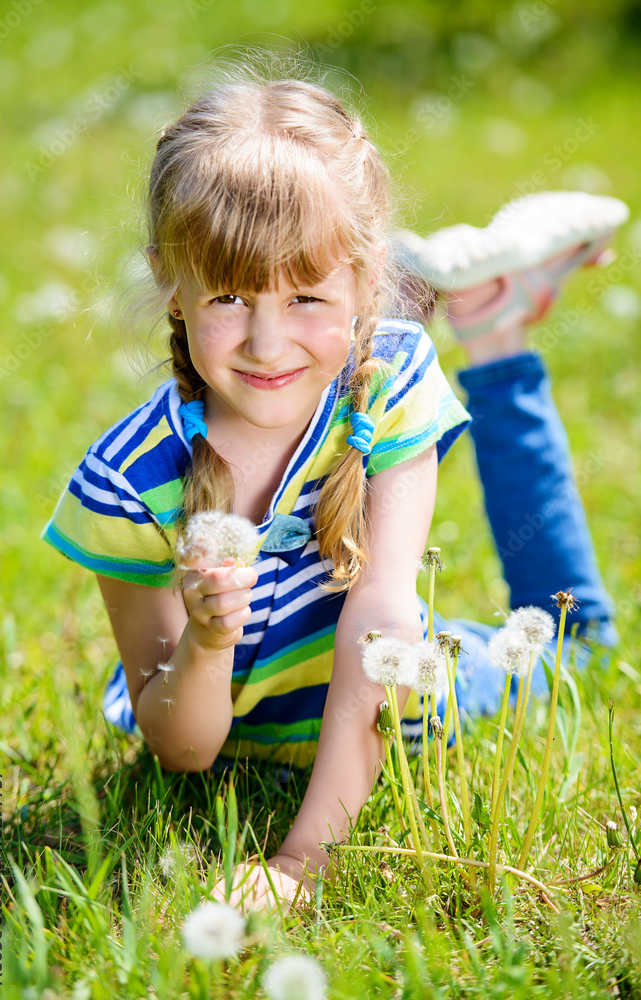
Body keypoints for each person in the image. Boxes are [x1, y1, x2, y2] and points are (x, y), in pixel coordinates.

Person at [42, 73, 624, 910]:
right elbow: (182, 752)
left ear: (366, 279)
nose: (267, 342)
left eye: (306, 296)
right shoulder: (128, 484)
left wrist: (303, 857)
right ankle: (487, 314)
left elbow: (384, 621)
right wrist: (206, 643)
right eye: (231, 296)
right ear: (169, 281)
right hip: (243, 735)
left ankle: (496, 336)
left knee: (581, 641)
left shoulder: (387, 377)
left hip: (402, 686)